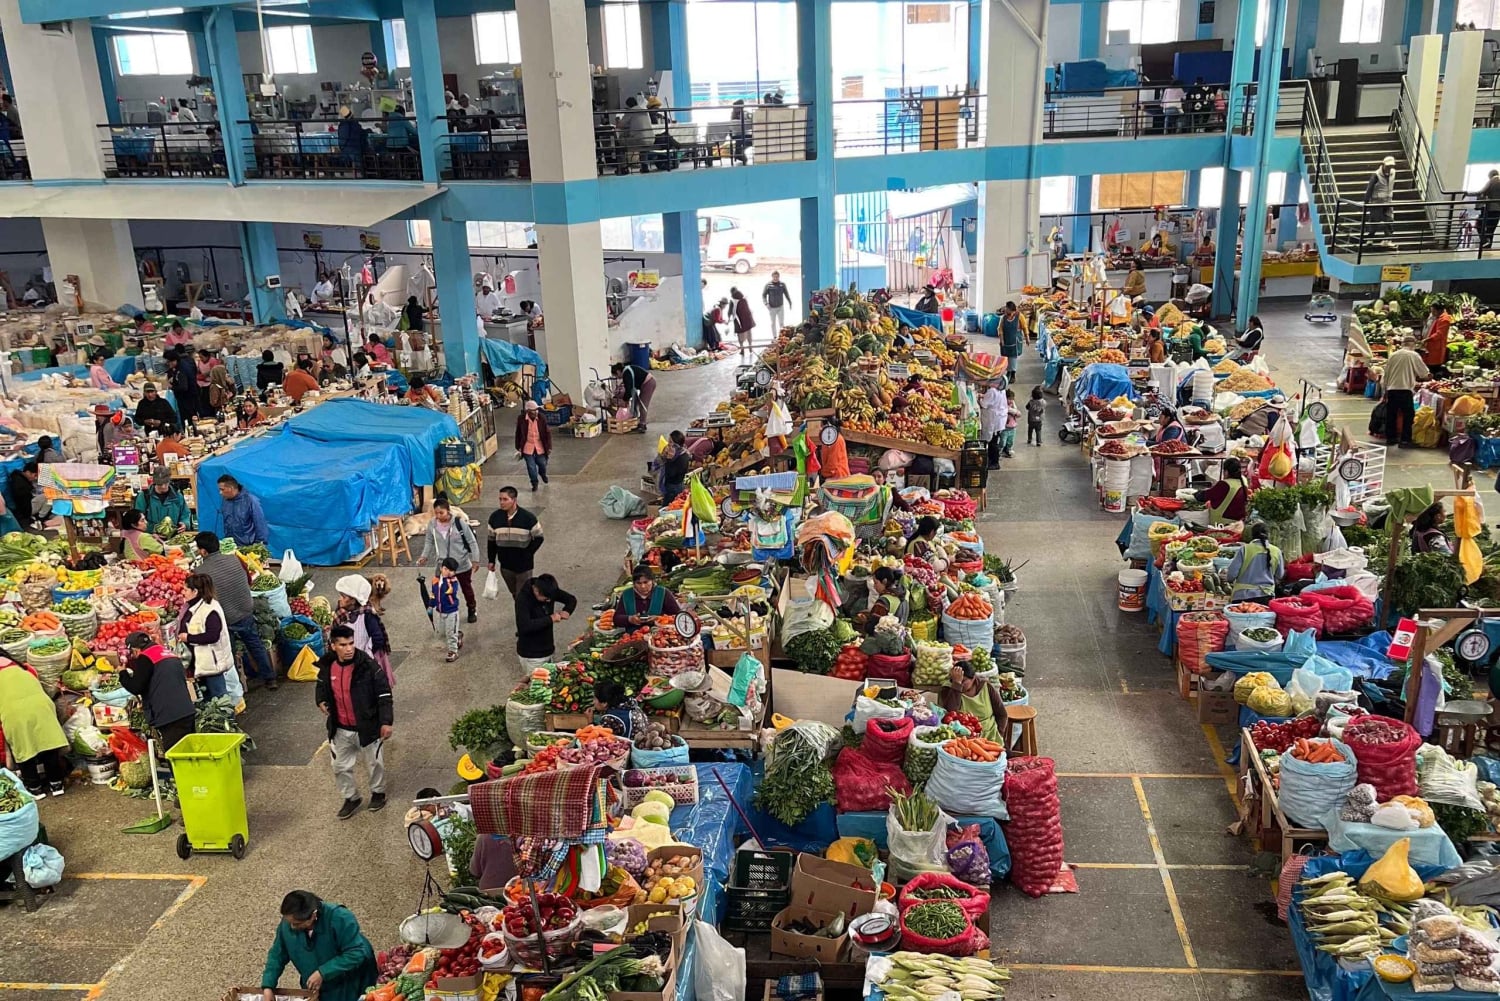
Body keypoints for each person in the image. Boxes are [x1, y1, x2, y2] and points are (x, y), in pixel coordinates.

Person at [316, 623, 393, 816]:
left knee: (375, 763)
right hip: (340, 728)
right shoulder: (327, 666)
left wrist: (386, 722)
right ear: (333, 646)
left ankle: (378, 793)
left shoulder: (368, 666)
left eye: (351, 643)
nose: (349, 648)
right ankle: (351, 797)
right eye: (343, 645)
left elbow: (384, 694)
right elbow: (320, 685)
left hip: (368, 726)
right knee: (339, 766)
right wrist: (320, 700)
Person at [260, 890, 377, 1001]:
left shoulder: (340, 918)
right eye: (289, 922)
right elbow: (277, 955)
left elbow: (356, 952)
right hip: (315, 985)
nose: (292, 927)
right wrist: (268, 986)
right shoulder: (289, 923)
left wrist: (323, 972)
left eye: (297, 923)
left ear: (313, 915)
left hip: (348, 984)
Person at [196, 532, 278, 689]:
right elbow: (248, 579)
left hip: (225, 616)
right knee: (254, 643)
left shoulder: (200, 572)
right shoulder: (235, 558)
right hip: (245, 608)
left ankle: (238, 685)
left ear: (203, 551)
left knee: (230, 650)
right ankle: (270, 678)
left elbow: (204, 598)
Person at [0, 658, 69, 796]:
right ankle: (56, 784)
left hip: (14, 713)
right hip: (42, 707)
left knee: (24, 749)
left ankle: (35, 788)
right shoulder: (23, 667)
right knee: (48, 744)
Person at [120, 630, 197, 752]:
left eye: (133, 654)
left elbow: (136, 687)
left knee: (176, 755)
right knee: (190, 753)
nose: (134, 657)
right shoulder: (168, 654)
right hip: (186, 711)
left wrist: (123, 673)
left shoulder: (145, 657)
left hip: (169, 715)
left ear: (135, 650)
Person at [418, 498, 480, 624]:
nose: (438, 516)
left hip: (461, 564)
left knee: (466, 589)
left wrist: (476, 559)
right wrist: (424, 556)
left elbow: (472, 541)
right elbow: (429, 541)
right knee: (442, 590)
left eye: (441, 513)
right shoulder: (432, 524)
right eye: (436, 513)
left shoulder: (459, 523)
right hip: (443, 566)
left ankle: (472, 609)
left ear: (448, 511)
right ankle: (447, 612)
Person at [178, 572, 236, 702]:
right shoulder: (194, 606)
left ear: (195, 591)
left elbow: (213, 636)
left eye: (185, 590)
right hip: (202, 663)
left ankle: (229, 715)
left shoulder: (210, 609)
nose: (183, 593)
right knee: (208, 698)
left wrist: (188, 638)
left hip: (212, 664)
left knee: (219, 698)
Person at [487, 486, 544, 597]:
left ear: (514, 500)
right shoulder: (494, 518)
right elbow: (491, 540)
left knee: (522, 595)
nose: (501, 502)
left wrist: (527, 553)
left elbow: (539, 537)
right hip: (505, 565)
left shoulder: (528, 518)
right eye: (500, 499)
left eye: (505, 499)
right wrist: (491, 560)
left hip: (524, 566)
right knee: (514, 593)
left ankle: (523, 608)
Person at [515, 573, 578, 670]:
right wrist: (551, 618)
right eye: (546, 599)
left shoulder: (548, 590)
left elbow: (571, 599)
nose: (549, 601)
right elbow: (525, 626)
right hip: (532, 655)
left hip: (548, 649)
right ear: (536, 591)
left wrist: (567, 610)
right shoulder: (523, 599)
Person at [940, 661, 1010, 747]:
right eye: (956, 680)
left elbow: (1002, 714)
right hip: (963, 741)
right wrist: (956, 684)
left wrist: (1000, 733)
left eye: (963, 681)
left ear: (973, 678)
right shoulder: (949, 689)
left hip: (991, 737)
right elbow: (950, 712)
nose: (961, 684)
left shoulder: (986, 687)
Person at [1382, 335, 1430, 448]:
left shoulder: (1393, 355)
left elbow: (1386, 374)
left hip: (1392, 389)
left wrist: (1385, 390)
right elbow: (1424, 373)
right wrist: (1428, 377)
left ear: (1403, 344)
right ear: (1413, 345)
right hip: (1405, 390)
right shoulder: (1413, 355)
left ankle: (1391, 438)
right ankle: (1405, 440)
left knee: (1391, 415)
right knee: (1408, 415)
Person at [1226, 522, 1284, 602]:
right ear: (1268, 535)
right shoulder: (1276, 551)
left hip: (1243, 596)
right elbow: (1280, 575)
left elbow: (1231, 575)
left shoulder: (1245, 549)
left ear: (1252, 535)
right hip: (1266, 596)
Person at [614, 565, 682, 627]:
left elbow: (679, 617)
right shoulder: (626, 595)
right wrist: (630, 619)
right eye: (638, 583)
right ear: (634, 583)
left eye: (646, 582)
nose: (643, 586)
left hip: (659, 634)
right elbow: (616, 619)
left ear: (652, 581)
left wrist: (659, 618)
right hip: (633, 635)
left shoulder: (663, 593)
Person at [425, 557, 464, 663]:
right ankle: (457, 635)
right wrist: (431, 605)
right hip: (441, 611)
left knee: (450, 633)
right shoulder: (435, 580)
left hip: (451, 611)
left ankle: (453, 651)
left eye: (451, 570)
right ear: (441, 568)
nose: (448, 572)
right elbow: (433, 594)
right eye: (446, 569)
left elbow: (451, 591)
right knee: (442, 632)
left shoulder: (453, 581)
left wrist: (446, 580)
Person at [136, 467, 192, 532]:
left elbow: (185, 514)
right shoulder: (144, 496)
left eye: (166, 483)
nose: (163, 486)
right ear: (154, 482)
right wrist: (152, 530)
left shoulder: (177, 496)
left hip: (173, 535)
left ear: (169, 480)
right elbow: (138, 519)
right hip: (150, 536)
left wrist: (185, 524)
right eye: (160, 484)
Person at [216, 474, 268, 546]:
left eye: (222, 489)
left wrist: (258, 545)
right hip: (232, 546)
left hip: (248, 547)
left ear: (231, 488)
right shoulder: (225, 501)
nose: (220, 493)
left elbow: (260, 524)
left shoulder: (251, 501)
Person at [1193, 457, 1249, 523]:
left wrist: (1194, 494)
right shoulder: (1243, 481)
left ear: (1226, 472)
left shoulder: (1225, 484)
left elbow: (1203, 496)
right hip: (1239, 521)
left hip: (1222, 522)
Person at [857, 566, 908, 635]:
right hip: (900, 635)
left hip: (885, 639)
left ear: (884, 581)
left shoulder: (883, 601)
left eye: (876, 583)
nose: (874, 586)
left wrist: (864, 621)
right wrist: (872, 612)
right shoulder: (903, 593)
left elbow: (872, 628)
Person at [515, 401, 553, 491]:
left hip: (540, 445)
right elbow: (518, 433)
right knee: (531, 466)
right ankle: (534, 482)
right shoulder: (521, 419)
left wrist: (549, 447)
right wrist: (518, 446)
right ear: (527, 411)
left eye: (536, 410)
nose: (535, 412)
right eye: (533, 410)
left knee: (542, 463)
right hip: (527, 446)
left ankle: (542, 474)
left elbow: (547, 433)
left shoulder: (541, 418)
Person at [1364, 156, 1398, 246]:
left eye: (1391, 166)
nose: (1389, 168)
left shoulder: (1393, 173)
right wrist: (1366, 201)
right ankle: (1370, 238)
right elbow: (1369, 189)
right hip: (1377, 202)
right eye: (1387, 166)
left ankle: (1387, 240)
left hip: (1388, 201)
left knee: (1389, 220)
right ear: (1383, 165)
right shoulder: (1376, 175)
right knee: (1374, 220)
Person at [613, 360, 656, 429]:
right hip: (646, 383)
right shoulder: (627, 370)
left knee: (643, 404)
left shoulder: (626, 374)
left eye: (616, 376)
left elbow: (629, 390)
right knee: (639, 402)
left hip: (648, 383)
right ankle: (639, 421)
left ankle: (642, 424)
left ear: (618, 371)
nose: (617, 378)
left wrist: (625, 400)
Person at [657, 431, 692, 505]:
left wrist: (669, 460)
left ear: (676, 445)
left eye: (670, 442)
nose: (668, 445)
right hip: (675, 486)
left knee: (668, 506)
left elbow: (671, 474)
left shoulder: (681, 457)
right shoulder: (681, 453)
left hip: (674, 488)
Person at [166, 348, 200, 422]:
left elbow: (184, 387)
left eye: (168, 362)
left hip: (187, 399)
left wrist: (172, 387)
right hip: (190, 397)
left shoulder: (181, 370)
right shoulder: (181, 365)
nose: (167, 364)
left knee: (189, 420)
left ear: (174, 361)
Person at [979, 380, 1007, 468]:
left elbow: (984, 404)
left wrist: (980, 399)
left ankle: (994, 462)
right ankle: (993, 460)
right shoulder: (1001, 391)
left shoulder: (992, 391)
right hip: (999, 419)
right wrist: (984, 396)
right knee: (994, 441)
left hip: (993, 420)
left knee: (992, 442)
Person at [1422, 302, 1452, 369]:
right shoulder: (1437, 316)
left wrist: (1427, 339)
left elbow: (1440, 334)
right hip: (1431, 344)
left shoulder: (1444, 319)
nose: (1432, 313)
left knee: (1434, 365)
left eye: (1434, 311)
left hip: (1437, 345)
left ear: (1440, 310)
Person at [1000, 302, 1023, 379]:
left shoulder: (1019, 316)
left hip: (1015, 341)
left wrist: (1027, 337)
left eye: (1012, 311)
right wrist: (1001, 339)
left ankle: (1013, 373)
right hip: (1006, 340)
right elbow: (1000, 329)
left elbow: (1024, 326)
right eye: (1008, 310)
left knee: (1013, 357)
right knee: (1006, 357)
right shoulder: (1003, 318)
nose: (1010, 313)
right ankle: (1008, 372)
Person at [731, 287, 755, 356]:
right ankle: (750, 348)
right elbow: (749, 310)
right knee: (749, 334)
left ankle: (742, 350)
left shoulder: (734, 302)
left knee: (740, 337)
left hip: (740, 322)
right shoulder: (744, 300)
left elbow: (733, 313)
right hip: (748, 321)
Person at [1480, 169, 1500, 250]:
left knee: (1480, 224)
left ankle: (1485, 243)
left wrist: (1468, 193)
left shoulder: (1492, 181)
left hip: (1491, 208)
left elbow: (1481, 191)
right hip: (1498, 210)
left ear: (1490, 175)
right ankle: (1487, 246)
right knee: (1491, 229)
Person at [1000, 388, 1019, 458]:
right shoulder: (1004, 406)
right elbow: (1016, 412)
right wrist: (1015, 411)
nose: (1011, 401)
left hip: (1012, 427)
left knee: (1010, 441)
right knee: (1002, 441)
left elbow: (1016, 411)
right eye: (1009, 399)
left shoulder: (1012, 406)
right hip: (1005, 428)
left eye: (1012, 399)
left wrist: (1013, 404)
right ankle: (1000, 451)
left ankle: (1008, 450)